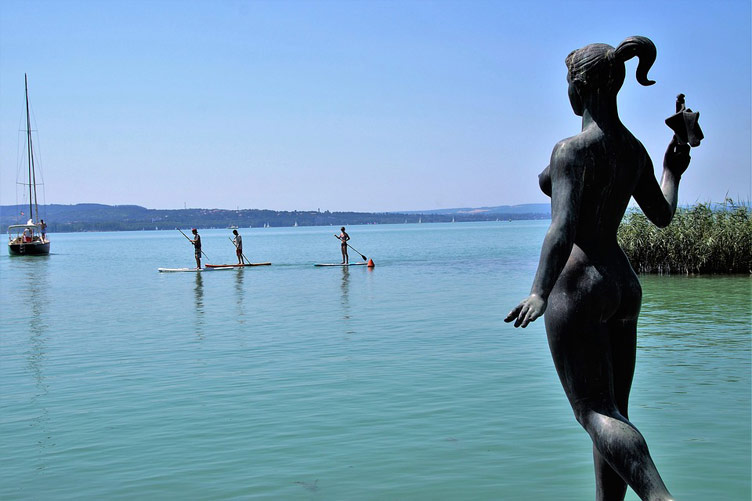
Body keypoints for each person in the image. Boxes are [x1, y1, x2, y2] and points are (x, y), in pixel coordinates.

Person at [504, 36, 690, 501]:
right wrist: (675, 169)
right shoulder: (633, 150)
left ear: (579, 88)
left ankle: (659, 497)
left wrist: (539, 290)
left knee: (592, 411)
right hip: (622, 284)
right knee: (614, 413)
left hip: (579, 283)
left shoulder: (572, 150)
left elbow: (562, 229)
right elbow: (663, 215)